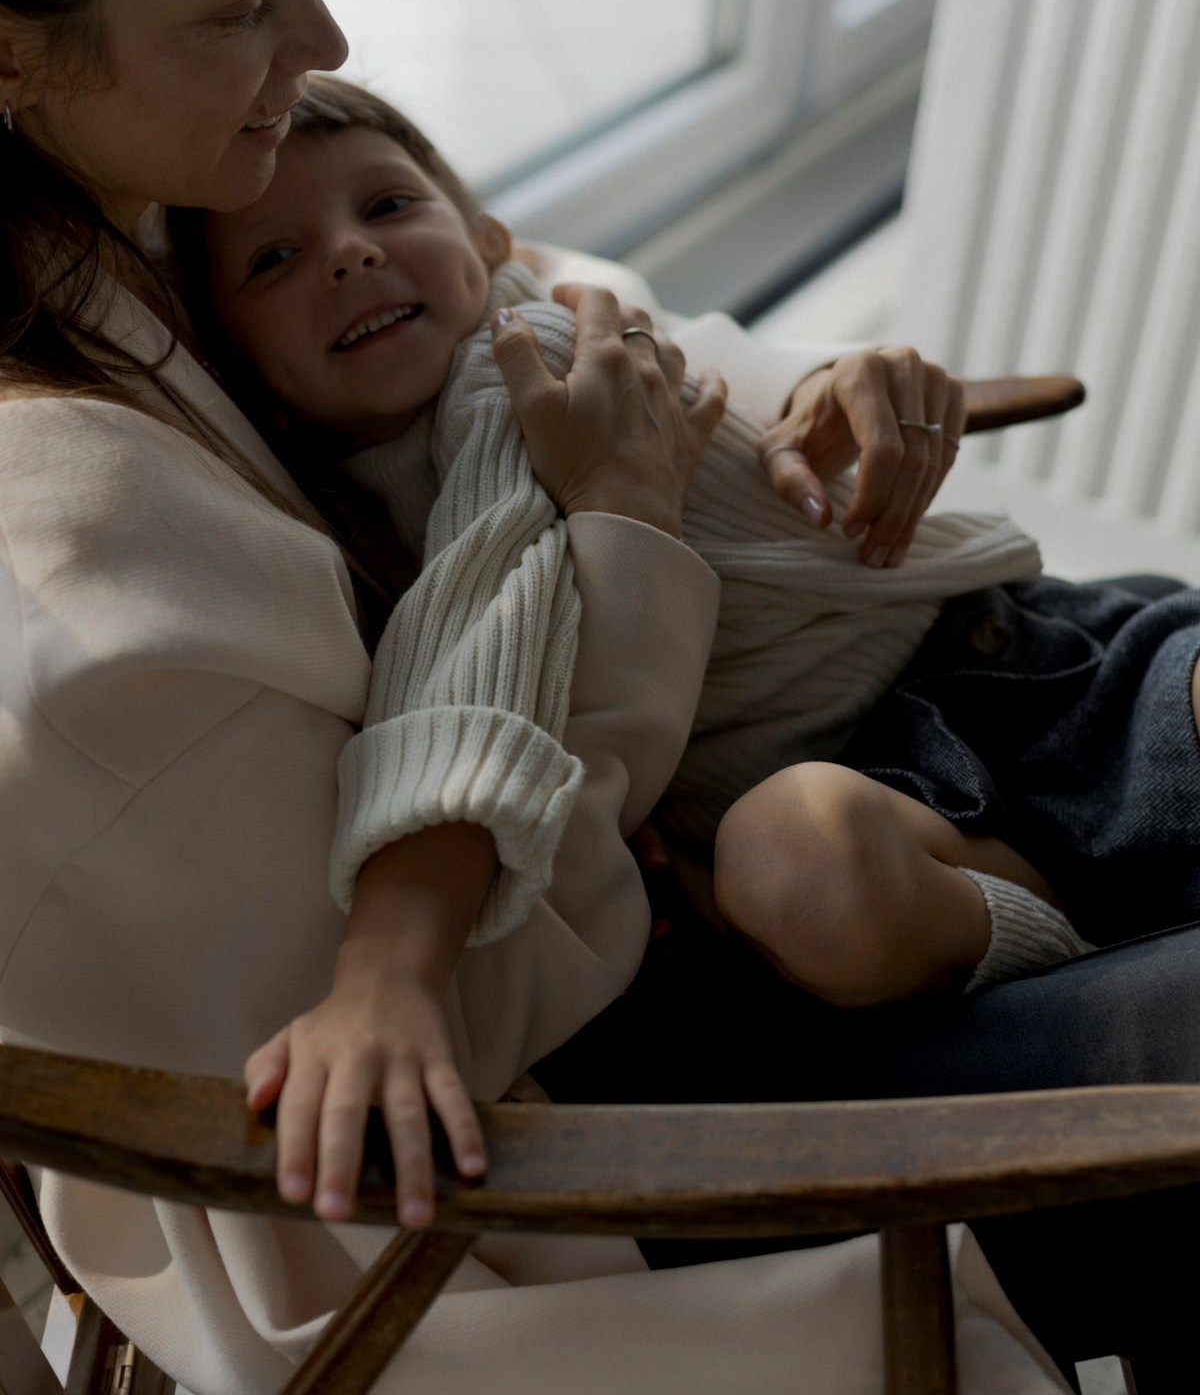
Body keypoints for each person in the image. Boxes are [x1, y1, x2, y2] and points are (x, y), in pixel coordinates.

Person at [0, 0, 1192, 1395]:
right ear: (19, 51)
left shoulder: (161, 213)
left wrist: (801, 395)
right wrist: (624, 528)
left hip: (889, 728)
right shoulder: (85, 565)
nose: (323, 40)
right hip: (620, 1117)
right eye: (242, 0)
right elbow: (427, 1019)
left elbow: (540, 292)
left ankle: (1029, 884)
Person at [176, 72, 1097, 1057]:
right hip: (868, 806)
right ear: (240, 379)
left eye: (390, 205)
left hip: (1004, 673)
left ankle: (1110, 969)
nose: (350, 252)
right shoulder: (344, 513)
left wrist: (387, 968)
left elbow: (481, 627)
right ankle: (1108, 962)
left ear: (491, 243)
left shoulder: (525, 370)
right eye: (274, 258)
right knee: (796, 868)